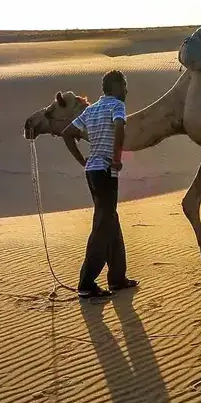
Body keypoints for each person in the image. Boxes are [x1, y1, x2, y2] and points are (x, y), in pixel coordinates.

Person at [61, 70, 139, 299]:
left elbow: (68, 133)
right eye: (123, 85)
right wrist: (117, 159)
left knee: (109, 219)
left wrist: (82, 160)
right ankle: (86, 282)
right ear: (114, 87)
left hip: (92, 170)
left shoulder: (92, 109)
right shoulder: (116, 105)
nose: (126, 90)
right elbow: (120, 127)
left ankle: (117, 278)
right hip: (105, 171)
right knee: (103, 225)